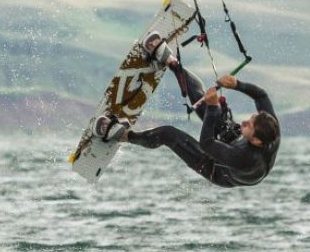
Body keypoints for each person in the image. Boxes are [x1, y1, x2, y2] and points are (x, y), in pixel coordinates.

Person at [94, 31, 281, 187]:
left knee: (169, 134)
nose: (244, 122)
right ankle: (170, 61)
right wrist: (237, 84)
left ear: (256, 141)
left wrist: (214, 109)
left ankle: (123, 135)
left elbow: (207, 144)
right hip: (232, 141)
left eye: (249, 125)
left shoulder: (246, 159)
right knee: (203, 101)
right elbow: (261, 96)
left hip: (216, 169)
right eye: (251, 118)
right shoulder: (270, 127)